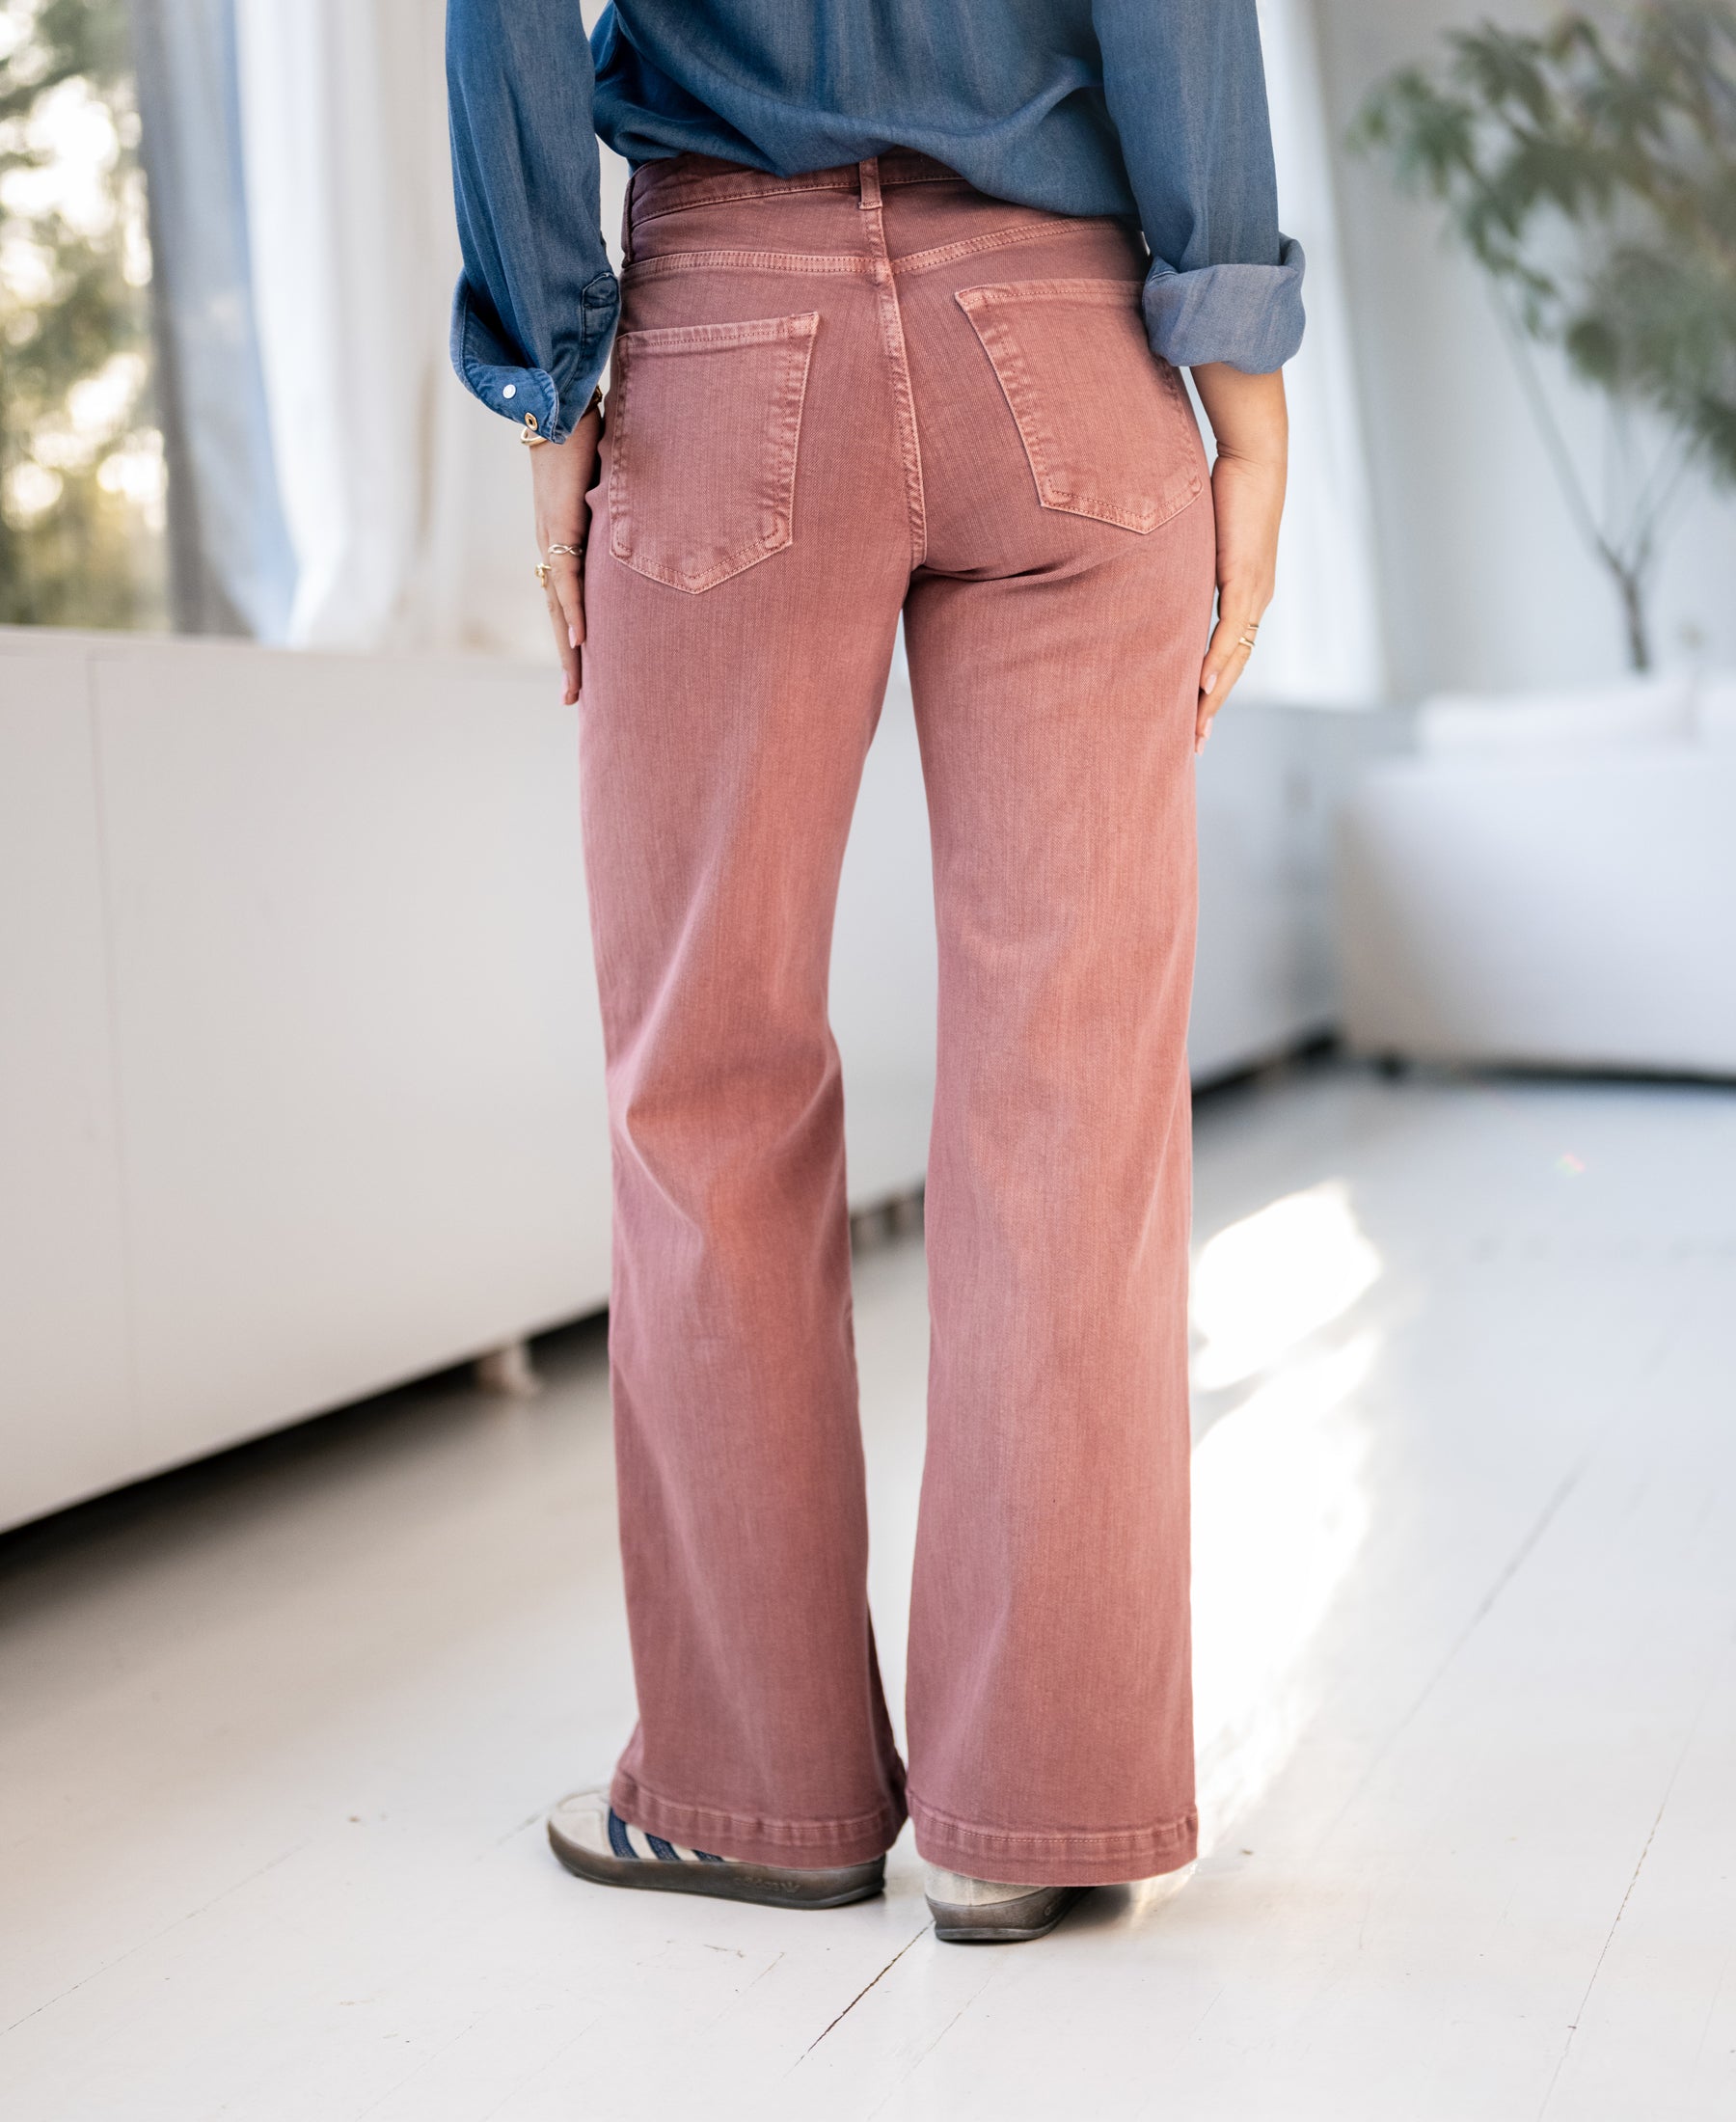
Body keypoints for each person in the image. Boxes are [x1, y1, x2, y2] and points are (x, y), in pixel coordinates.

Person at [447, 0, 1299, 1945]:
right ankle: (1035, 1809)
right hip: (1070, 340)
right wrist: (1240, 374)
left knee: (704, 1089)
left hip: (726, 345)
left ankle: (757, 1790)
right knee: (1074, 1095)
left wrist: (553, 379)